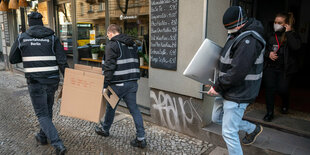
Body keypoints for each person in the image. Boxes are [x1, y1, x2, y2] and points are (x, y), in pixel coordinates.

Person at [207, 6, 265, 155]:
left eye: (231, 27)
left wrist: (217, 86)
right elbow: (228, 62)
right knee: (217, 117)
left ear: (240, 22)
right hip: (227, 88)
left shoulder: (249, 40)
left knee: (229, 132)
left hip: (239, 92)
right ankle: (252, 129)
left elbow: (237, 72)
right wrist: (215, 82)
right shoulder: (238, 34)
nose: (229, 30)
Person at [9, 12, 68, 155]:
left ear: (29, 23)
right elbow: (62, 60)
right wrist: (69, 78)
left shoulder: (22, 37)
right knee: (47, 110)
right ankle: (42, 136)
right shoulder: (52, 38)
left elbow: (12, 59)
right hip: (52, 81)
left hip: (35, 82)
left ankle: (57, 143)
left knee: (42, 113)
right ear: (42, 22)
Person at [95, 24, 147, 148]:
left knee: (110, 107)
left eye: (108, 35)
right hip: (132, 83)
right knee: (134, 110)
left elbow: (109, 67)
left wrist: (104, 85)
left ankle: (105, 130)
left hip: (116, 85)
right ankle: (141, 138)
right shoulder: (132, 44)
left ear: (111, 33)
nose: (108, 37)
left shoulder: (112, 44)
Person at [263, 13, 301, 122]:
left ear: (286, 24)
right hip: (270, 67)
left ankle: (285, 102)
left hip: (285, 69)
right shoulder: (270, 35)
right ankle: (269, 113)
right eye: (275, 22)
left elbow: (296, 47)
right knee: (270, 89)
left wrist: (288, 32)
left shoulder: (292, 35)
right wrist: (268, 54)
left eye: (279, 23)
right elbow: (262, 48)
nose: (276, 25)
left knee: (282, 89)